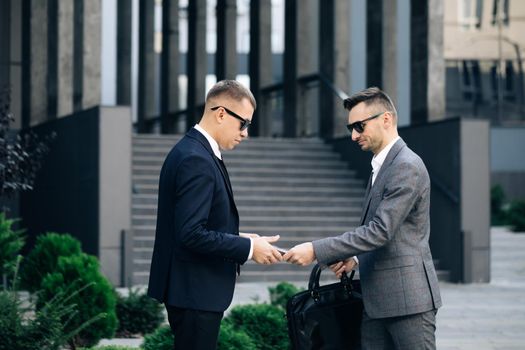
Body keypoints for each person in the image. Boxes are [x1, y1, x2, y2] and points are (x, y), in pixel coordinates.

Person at [283, 87, 442, 349]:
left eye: (360, 126)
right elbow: (388, 232)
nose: (355, 135)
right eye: (350, 129)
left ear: (386, 119)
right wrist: (355, 258)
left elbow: (380, 230)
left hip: (408, 302)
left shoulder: (406, 166)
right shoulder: (382, 165)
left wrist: (315, 250)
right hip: (375, 301)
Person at [148, 80, 283, 350]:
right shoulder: (195, 158)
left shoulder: (194, 151)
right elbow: (190, 233)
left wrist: (245, 238)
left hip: (191, 292)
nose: (245, 133)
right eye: (243, 123)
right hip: (195, 292)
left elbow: (193, 225)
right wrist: (247, 248)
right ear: (221, 113)